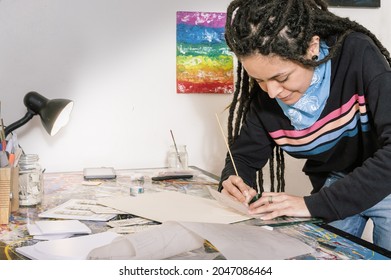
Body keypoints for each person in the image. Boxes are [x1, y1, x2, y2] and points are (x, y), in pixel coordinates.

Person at [218, 0, 391, 251]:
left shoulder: (358, 55)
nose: (272, 92)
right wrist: (233, 179)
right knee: (318, 259)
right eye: (259, 80)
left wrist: (310, 205)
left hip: (387, 177)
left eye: (282, 77)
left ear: (311, 47)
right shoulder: (266, 97)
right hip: (337, 183)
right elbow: (243, 157)